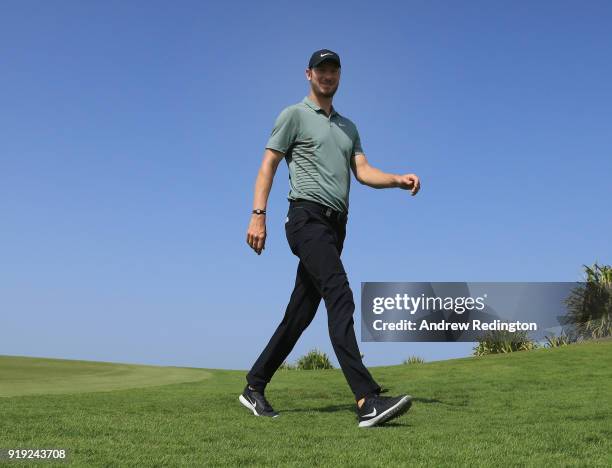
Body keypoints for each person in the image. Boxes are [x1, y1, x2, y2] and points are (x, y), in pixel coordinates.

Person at [241, 49, 421, 428]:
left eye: (333, 70)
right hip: (306, 219)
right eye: (321, 69)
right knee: (340, 293)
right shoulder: (293, 115)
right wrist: (258, 215)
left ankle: (254, 386)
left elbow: (364, 171)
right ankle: (366, 398)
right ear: (308, 74)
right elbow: (268, 165)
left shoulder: (347, 127)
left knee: (299, 315)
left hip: (336, 227)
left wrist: (397, 180)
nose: (327, 75)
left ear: (340, 76)